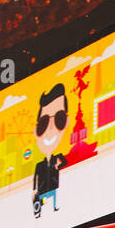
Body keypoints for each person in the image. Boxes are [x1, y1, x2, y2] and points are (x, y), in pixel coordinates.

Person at [32, 84, 69, 218]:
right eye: (44, 123)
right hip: (42, 189)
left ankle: (52, 207)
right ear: (35, 131)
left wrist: (58, 165)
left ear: (67, 122)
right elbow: (35, 179)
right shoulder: (39, 165)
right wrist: (34, 191)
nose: (51, 128)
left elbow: (64, 162)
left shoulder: (57, 157)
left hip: (53, 185)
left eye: (59, 119)